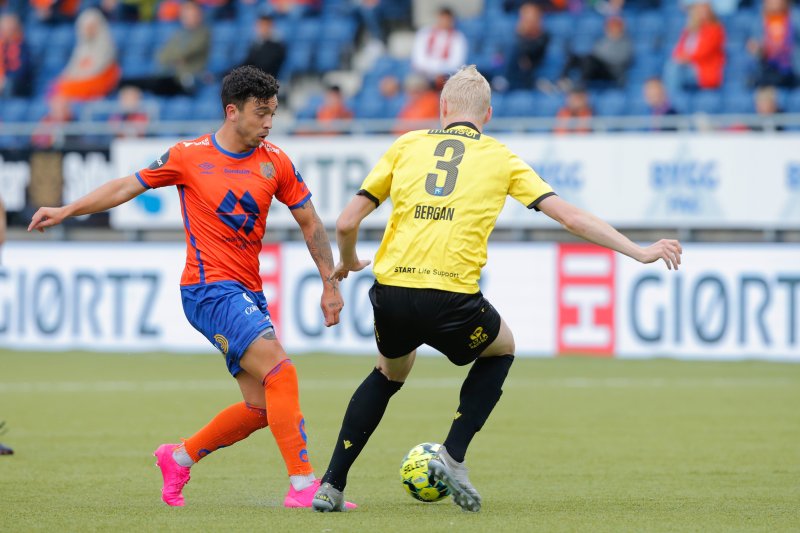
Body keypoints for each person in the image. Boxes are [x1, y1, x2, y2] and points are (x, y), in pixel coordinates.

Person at [311, 65, 682, 513]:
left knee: (388, 373)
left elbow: (346, 221)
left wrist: (348, 260)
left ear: (443, 108)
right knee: (502, 348)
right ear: (487, 114)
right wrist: (638, 251)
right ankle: (453, 455)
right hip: (451, 296)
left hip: (392, 290)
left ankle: (331, 485)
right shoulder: (501, 158)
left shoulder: (406, 145)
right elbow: (570, 217)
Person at [28, 66, 355, 510]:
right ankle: (303, 486)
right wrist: (67, 210)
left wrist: (330, 284)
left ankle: (178, 457)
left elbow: (310, 221)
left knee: (262, 407)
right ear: (232, 111)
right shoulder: (188, 155)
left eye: (273, 113)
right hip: (207, 289)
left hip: (247, 291)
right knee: (282, 371)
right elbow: (125, 186)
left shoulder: (275, 161)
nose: (268, 123)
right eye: (260, 113)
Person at [125, 0, 210, 95]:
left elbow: (187, 52)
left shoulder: (203, 33)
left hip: (187, 79)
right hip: (171, 75)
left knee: (151, 84)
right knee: (135, 82)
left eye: (191, 14)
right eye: (185, 15)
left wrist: (176, 58)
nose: (187, 18)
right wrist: (176, 60)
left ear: (199, 15)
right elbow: (162, 55)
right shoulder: (178, 34)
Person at [51, 8, 121, 101]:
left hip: (98, 80)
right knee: (56, 87)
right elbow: (74, 67)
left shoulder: (106, 45)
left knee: (67, 88)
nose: (88, 30)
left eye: (91, 27)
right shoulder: (82, 46)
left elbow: (98, 69)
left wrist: (78, 78)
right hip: (82, 79)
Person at [663, 1, 725, 95]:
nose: (702, 12)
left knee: (673, 68)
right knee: (672, 66)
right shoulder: (689, 30)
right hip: (686, 67)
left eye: (704, 9)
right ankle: (673, 98)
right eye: (699, 9)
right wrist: (681, 57)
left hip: (703, 69)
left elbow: (704, 51)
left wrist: (687, 58)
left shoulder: (715, 29)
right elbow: (677, 50)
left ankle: (671, 99)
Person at [558, 16, 633, 89]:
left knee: (589, 59)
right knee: (575, 57)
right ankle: (562, 80)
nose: (612, 30)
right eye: (610, 27)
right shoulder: (603, 41)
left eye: (615, 27)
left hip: (611, 72)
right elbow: (595, 53)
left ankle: (580, 84)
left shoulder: (626, 43)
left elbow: (619, 60)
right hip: (596, 68)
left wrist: (600, 57)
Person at [747, 0, 800, 89]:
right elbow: (753, 52)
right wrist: (758, 51)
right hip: (766, 72)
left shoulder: (795, 18)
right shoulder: (757, 22)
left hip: (791, 73)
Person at [410, 7, 468, 82]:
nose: (444, 22)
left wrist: (440, 72)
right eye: (442, 19)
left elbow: (457, 63)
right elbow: (418, 60)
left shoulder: (458, 37)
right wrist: (433, 71)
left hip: (447, 75)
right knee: (413, 81)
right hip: (424, 74)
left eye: (447, 20)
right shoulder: (424, 33)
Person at [503, 2, 550, 91]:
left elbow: (532, 51)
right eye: (525, 17)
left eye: (530, 18)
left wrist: (520, 34)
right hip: (516, 75)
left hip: (533, 75)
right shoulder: (517, 38)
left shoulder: (544, 37)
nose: (527, 21)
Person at [239, 13, 286, 78]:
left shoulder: (277, 46)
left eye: (265, 25)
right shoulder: (255, 44)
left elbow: (266, 66)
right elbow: (247, 62)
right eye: (260, 25)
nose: (262, 28)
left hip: (269, 79)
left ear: (271, 26)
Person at [0, 12, 32, 98]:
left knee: (9, 85)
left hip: (14, 83)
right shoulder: (2, 43)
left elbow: (21, 70)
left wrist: (5, 80)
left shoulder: (22, 46)